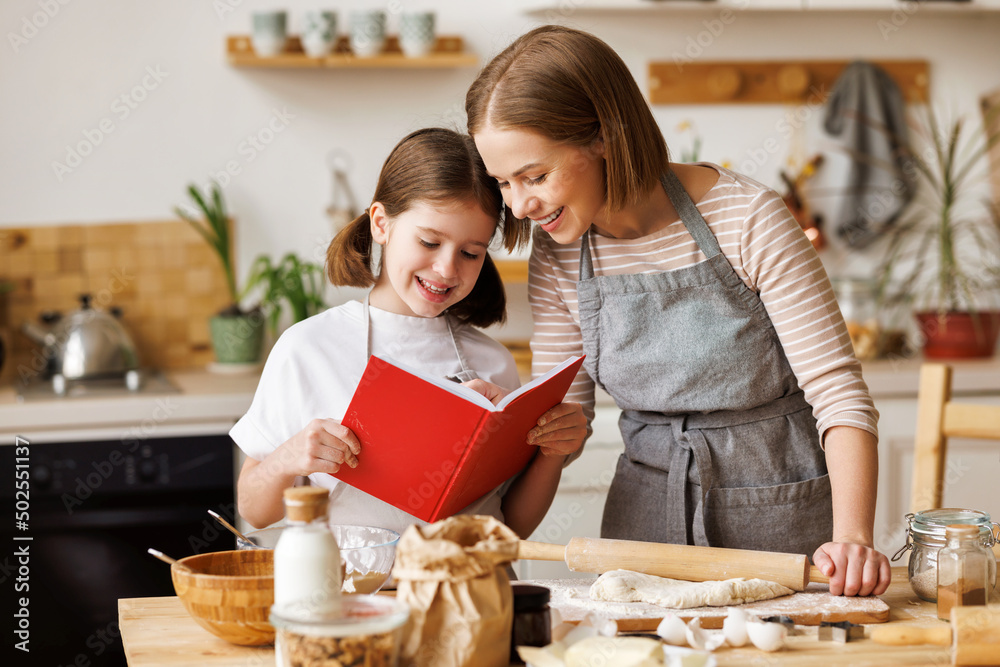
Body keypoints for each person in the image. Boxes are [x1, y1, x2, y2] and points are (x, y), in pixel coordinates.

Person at [465, 26, 891, 597]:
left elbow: (838, 394)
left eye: (535, 176)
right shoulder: (559, 251)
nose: (519, 205)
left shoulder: (749, 219)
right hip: (643, 530)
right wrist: (511, 423)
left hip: (779, 521)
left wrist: (854, 538)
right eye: (503, 184)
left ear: (604, 136)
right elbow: (564, 417)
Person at [231, 127, 586, 538]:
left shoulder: (492, 362)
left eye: (471, 253)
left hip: (470, 595)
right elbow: (253, 511)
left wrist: (551, 453)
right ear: (381, 224)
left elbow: (514, 526)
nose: (447, 269)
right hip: (358, 596)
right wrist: (289, 458)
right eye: (429, 241)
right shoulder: (307, 349)